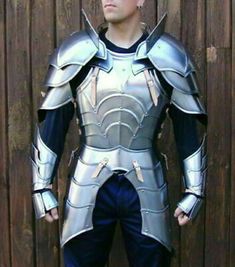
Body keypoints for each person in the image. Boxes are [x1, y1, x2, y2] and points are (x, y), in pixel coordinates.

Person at [31, 0, 207, 266]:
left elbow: (186, 128)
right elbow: (54, 122)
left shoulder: (169, 55)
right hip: (87, 181)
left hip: (146, 180)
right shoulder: (76, 52)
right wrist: (41, 185)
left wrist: (195, 190)